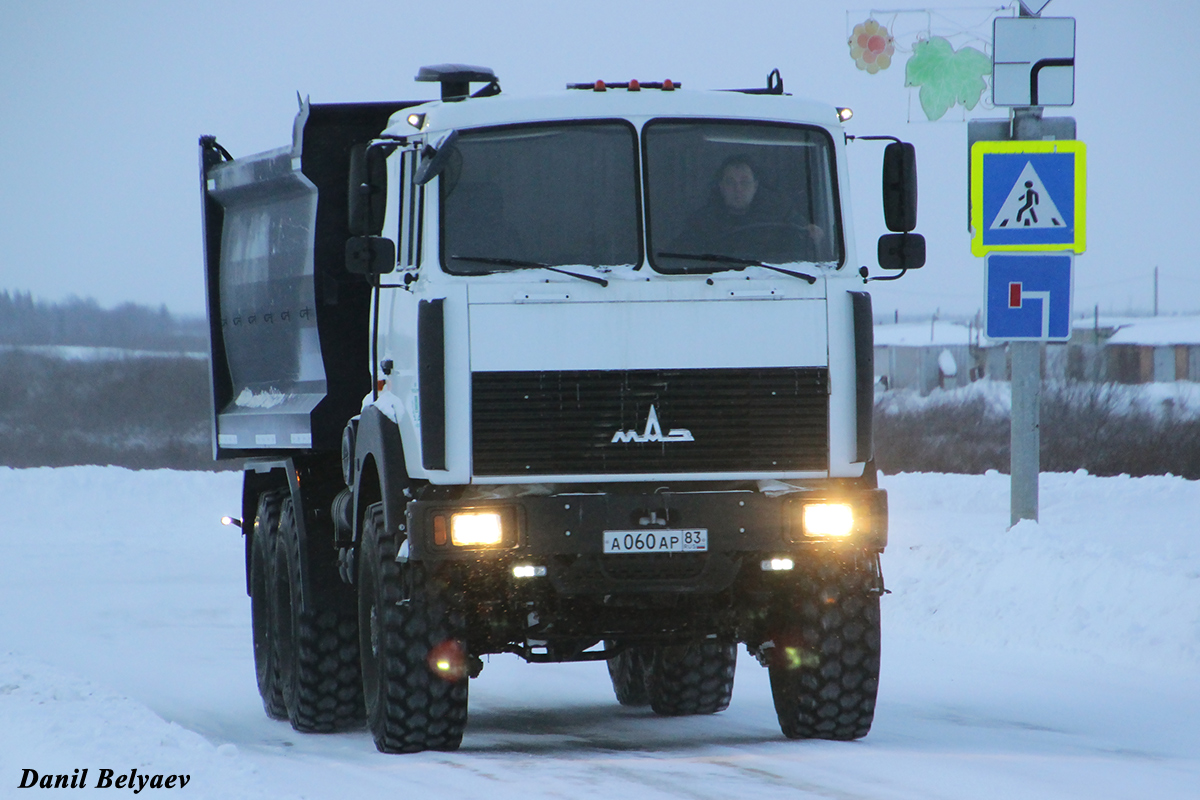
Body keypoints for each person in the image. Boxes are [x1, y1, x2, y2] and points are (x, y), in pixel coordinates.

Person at [671, 156, 823, 263]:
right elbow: (680, 255)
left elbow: (807, 237)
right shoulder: (701, 222)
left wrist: (814, 234)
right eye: (730, 182)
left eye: (744, 182)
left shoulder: (781, 213)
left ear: (755, 186)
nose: (738, 189)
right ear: (721, 186)